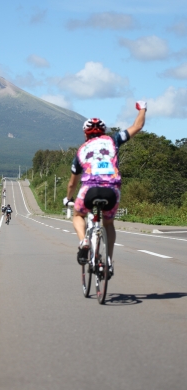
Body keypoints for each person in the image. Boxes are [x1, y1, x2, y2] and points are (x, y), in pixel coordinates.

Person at [63, 101, 147, 273]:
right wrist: (143, 108)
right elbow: (138, 126)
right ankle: (107, 262)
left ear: (85, 134)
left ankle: (84, 241)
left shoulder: (81, 150)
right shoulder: (113, 140)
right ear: (104, 131)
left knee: (79, 215)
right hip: (112, 190)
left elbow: (72, 183)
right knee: (108, 224)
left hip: (89, 190)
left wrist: (69, 199)